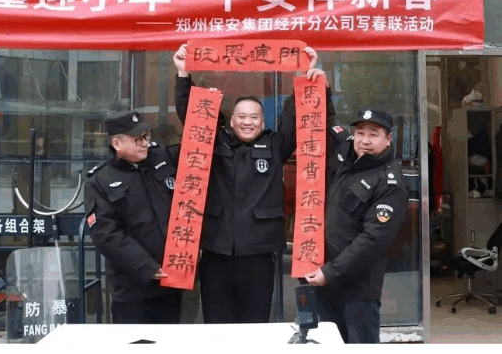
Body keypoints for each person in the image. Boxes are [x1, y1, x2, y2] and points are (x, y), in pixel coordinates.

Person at [172, 43, 321, 324]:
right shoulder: (215, 142)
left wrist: (303, 75)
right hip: (217, 251)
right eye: (241, 116)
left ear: (263, 121)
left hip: (258, 252)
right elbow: (191, 117)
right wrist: (183, 74)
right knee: (217, 323)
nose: (247, 122)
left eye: (254, 117)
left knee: (255, 323)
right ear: (232, 120)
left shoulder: (275, 145)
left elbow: (295, 117)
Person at [304, 107, 409, 343]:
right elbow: (321, 121)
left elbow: (373, 240)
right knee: (327, 342)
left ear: (388, 139)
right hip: (326, 279)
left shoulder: (390, 183)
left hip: (358, 289)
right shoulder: (349, 160)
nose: (365, 141)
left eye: (373, 134)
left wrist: (330, 272)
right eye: (360, 133)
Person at [83, 111, 182, 324]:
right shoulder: (100, 181)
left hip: (172, 282)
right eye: (138, 139)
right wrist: (147, 267)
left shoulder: (162, 157)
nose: (145, 143)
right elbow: (106, 235)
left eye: (147, 136)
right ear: (117, 143)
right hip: (132, 289)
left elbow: (197, 150)